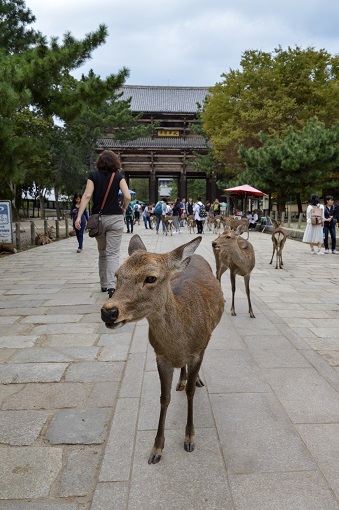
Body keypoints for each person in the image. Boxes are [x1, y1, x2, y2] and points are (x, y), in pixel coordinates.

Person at [75, 150, 131, 297]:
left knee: (103, 253)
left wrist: (79, 216)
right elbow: (127, 196)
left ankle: (104, 284)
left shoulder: (93, 176)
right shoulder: (119, 177)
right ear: (115, 163)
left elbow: (87, 195)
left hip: (98, 220)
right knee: (113, 253)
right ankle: (112, 286)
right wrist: (124, 207)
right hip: (115, 218)